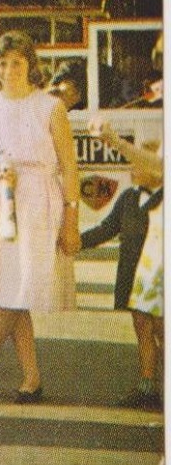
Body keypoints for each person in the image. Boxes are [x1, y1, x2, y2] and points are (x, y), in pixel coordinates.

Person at [0, 32, 81, 402]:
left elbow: (70, 167)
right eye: (2, 63)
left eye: (16, 62)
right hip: (0, 200)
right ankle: (31, 376)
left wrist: (72, 218)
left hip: (40, 200)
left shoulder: (50, 107)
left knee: (19, 286)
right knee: (13, 287)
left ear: (30, 65)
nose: (9, 70)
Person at [80, 135, 163, 408]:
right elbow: (107, 229)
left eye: (138, 164)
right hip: (134, 275)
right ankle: (147, 386)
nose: (132, 169)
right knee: (142, 325)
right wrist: (75, 241)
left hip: (158, 275)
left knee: (161, 329)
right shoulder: (129, 197)